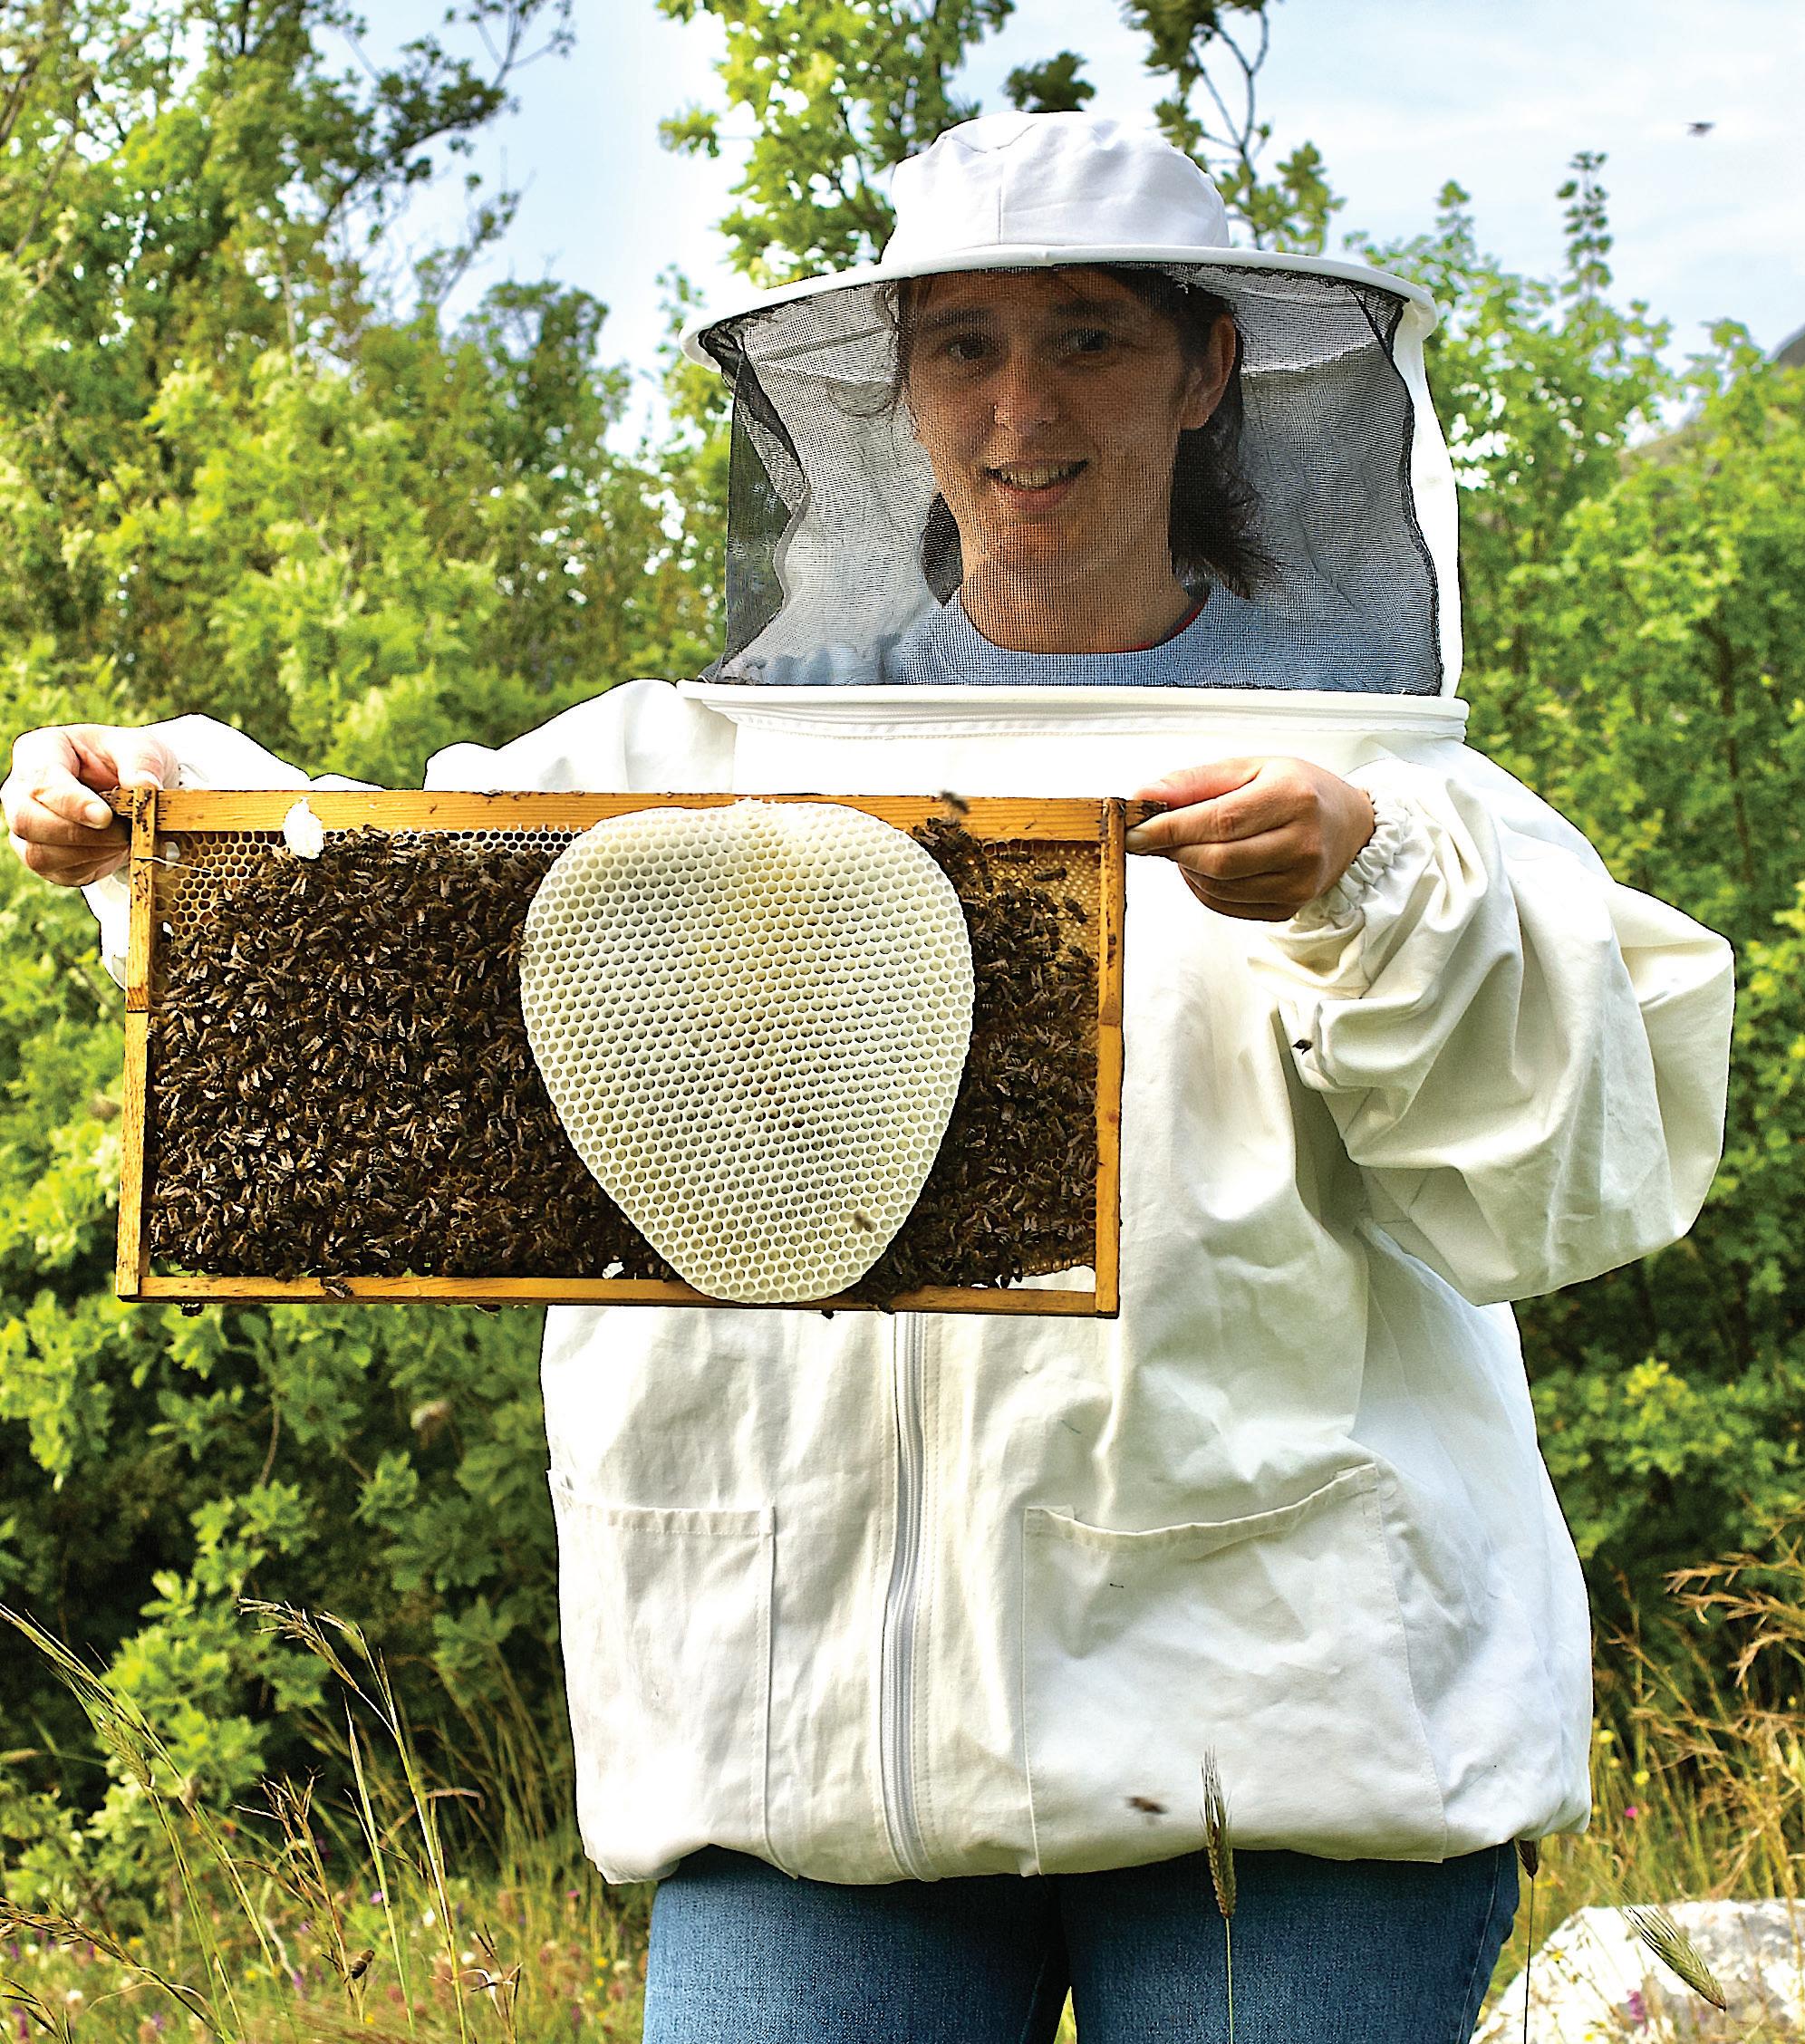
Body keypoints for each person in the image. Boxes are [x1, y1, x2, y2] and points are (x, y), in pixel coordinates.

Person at [4, 112, 1734, 2042]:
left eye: (1087, 336)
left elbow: (1572, 1178)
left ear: (1206, 367)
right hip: (805, 1743)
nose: (1022, 408)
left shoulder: (1370, 782)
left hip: (1293, 1747)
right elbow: (373, 928)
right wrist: (160, 813)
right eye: (964, 348)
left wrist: (1376, 889)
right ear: (896, 391)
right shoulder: (676, 762)